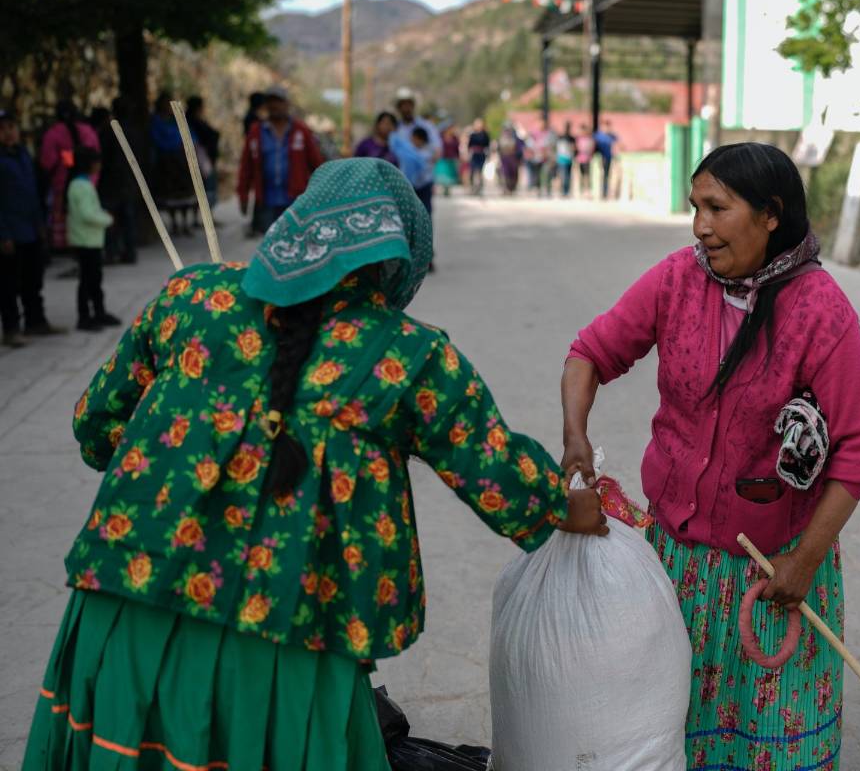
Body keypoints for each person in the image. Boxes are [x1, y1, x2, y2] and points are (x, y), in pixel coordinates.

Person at [21, 158, 607, 769]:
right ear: (394, 258)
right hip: (292, 628)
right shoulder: (410, 354)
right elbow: (498, 475)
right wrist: (569, 506)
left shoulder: (190, 296)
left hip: (125, 600)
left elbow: (96, 427)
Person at [562, 142, 860, 770]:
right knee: (669, 738)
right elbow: (589, 353)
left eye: (717, 207)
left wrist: (803, 561)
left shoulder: (822, 312)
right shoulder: (676, 280)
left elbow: (858, 453)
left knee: (765, 747)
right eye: (695, 207)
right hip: (675, 564)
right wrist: (576, 435)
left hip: (770, 577)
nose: (700, 226)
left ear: (770, 214)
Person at [0, 109, 60, 345]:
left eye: (11, 127)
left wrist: (40, 225)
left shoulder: (24, 154)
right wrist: (3, 234)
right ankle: (11, 328)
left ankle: (36, 321)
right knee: (7, 283)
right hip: (9, 232)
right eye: (3, 129)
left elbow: (33, 193)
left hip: (31, 229)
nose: (8, 133)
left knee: (33, 279)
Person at [237, 85, 325, 236]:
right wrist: (243, 195)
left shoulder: (301, 130)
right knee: (269, 243)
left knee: (295, 240)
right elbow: (246, 166)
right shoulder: (256, 131)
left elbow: (317, 164)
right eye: (270, 101)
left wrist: (323, 193)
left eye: (278, 101)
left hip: (295, 200)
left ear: (287, 104)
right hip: (266, 201)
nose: (274, 105)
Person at [65, 147, 119, 332]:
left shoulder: (82, 184)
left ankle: (99, 312)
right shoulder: (81, 186)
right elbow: (88, 214)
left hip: (91, 240)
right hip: (85, 241)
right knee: (88, 280)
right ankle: (84, 317)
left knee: (95, 279)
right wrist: (108, 219)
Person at [39, 99, 99, 250]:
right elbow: (95, 156)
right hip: (88, 184)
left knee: (68, 222)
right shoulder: (87, 132)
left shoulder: (52, 134)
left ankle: (72, 250)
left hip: (61, 187)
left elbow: (47, 163)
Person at [94, 97, 139, 264]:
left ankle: (112, 251)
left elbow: (102, 157)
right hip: (128, 181)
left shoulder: (106, 132)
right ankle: (129, 251)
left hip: (111, 183)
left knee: (111, 219)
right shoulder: (134, 131)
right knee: (127, 219)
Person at [149, 92, 197, 235]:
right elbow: (157, 140)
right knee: (171, 196)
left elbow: (191, 135)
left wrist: (186, 145)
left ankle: (185, 223)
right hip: (167, 163)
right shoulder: (156, 121)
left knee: (186, 195)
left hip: (182, 160)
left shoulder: (177, 120)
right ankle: (175, 224)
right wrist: (173, 145)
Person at [389, 88, 441, 214]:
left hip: (424, 181)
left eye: (408, 104)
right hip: (402, 183)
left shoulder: (426, 126)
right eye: (403, 105)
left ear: (413, 105)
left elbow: (437, 149)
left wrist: (422, 162)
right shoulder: (395, 130)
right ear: (398, 107)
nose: (406, 108)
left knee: (424, 216)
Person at [186, 96, 221, 215]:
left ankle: (207, 215)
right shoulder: (191, 122)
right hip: (200, 158)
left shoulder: (198, 121)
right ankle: (205, 215)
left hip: (205, 158)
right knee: (205, 187)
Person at [525, 118, 551, 196]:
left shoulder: (547, 134)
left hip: (544, 158)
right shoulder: (532, 134)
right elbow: (529, 145)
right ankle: (537, 188)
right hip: (535, 158)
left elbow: (548, 145)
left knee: (545, 173)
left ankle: (546, 188)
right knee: (536, 174)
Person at [465, 119, 491, 196]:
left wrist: (488, 154)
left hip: (481, 154)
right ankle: (472, 187)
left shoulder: (485, 135)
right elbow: (469, 145)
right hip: (474, 154)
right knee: (472, 171)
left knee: (480, 171)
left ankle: (479, 187)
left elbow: (487, 145)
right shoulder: (472, 135)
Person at [497, 124, 523, 195]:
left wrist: (518, 157)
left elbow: (520, 149)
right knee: (504, 173)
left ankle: (512, 188)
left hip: (513, 158)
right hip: (504, 158)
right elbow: (498, 149)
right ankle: (505, 188)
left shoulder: (515, 139)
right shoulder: (501, 138)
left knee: (513, 174)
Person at [434, 124, 461, 195]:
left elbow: (457, 148)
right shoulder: (441, 137)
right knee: (443, 174)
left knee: (450, 175)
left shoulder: (454, 138)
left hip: (452, 158)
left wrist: (458, 157)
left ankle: (448, 188)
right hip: (443, 158)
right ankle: (444, 188)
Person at [594, 119, 618, 199]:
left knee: (607, 175)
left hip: (609, 158)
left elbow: (618, 145)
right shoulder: (597, 136)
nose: (606, 128)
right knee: (600, 175)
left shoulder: (612, 136)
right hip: (600, 158)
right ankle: (599, 191)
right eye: (605, 126)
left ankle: (605, 192)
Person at [555, 122, 576, 198]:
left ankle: (565, 191)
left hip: (567, 159)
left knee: (566, 175)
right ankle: (564, 191)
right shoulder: (561, 138)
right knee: (564, 176)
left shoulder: (571, 138)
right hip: (562, 159)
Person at [575, 126, 595, 197]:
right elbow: (576, 148)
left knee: (587, 175)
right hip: (580, 160)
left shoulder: (590, 139)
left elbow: (592, 148)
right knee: (581, 175)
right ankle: (581, 190)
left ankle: (587, 190)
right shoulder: (578, 139)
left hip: (587, 160)